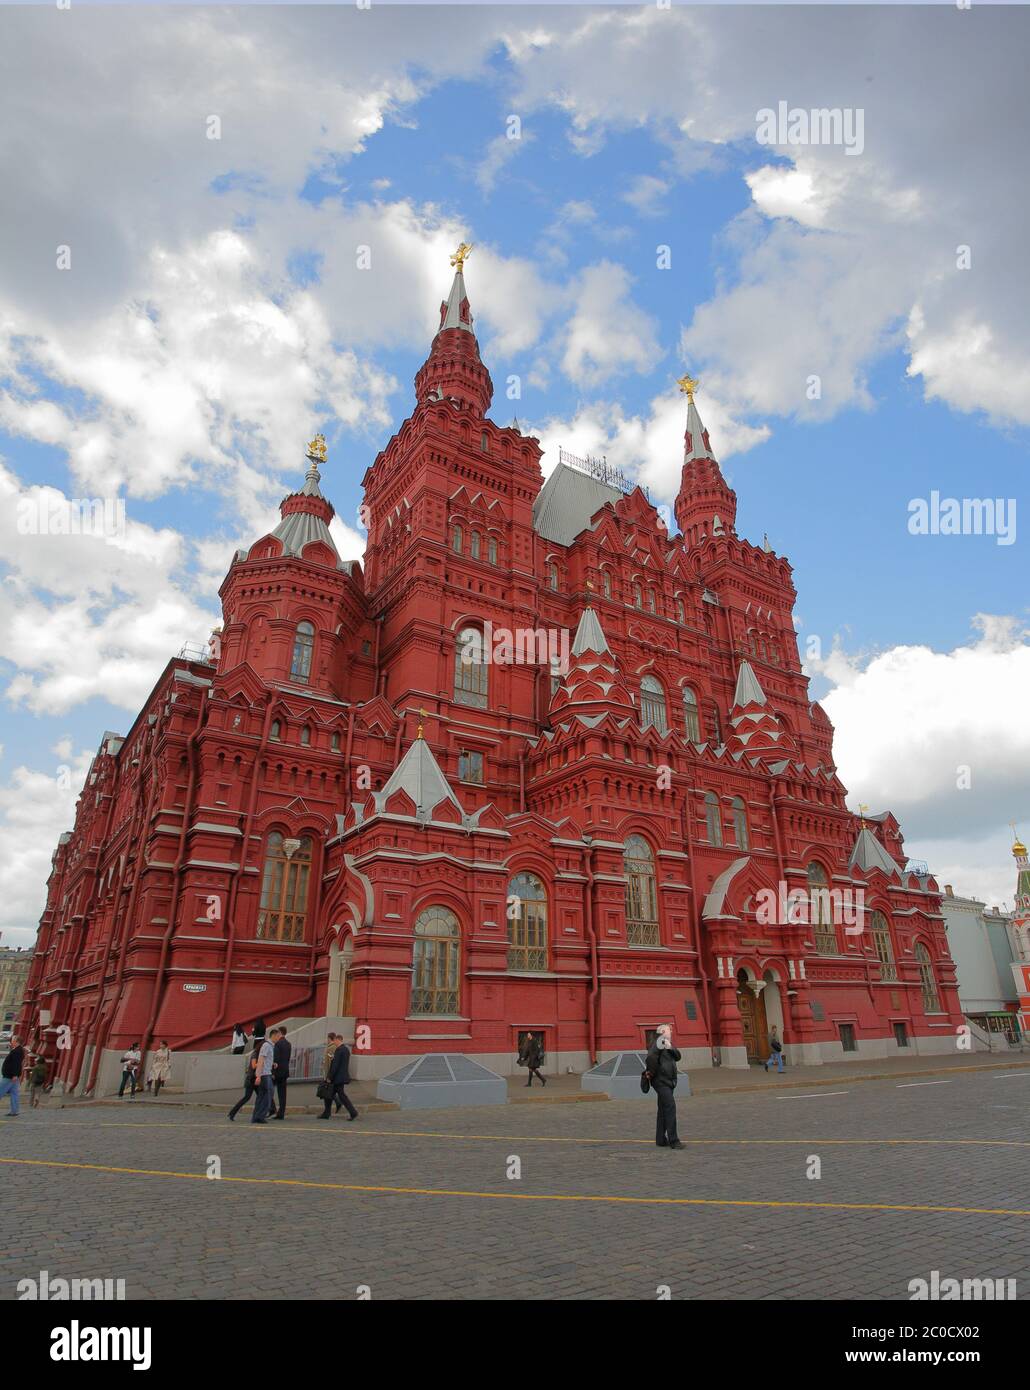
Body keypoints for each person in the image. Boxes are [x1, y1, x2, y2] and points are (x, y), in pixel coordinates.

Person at [644, 1023, 684, 1150]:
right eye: (669, 1030)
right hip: (661, 1082)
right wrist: (654, 1074)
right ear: (662, 1032)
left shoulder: (666, 1043)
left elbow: (678, 1056)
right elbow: (650, 1058)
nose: (671, 1031)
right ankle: (674, 1140)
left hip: (669, 1082)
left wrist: (670, 1047)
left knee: (662, 1110)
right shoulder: (658, 1042)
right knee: (670, 1107)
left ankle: (660, 1139)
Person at [319, 1036, 358, 1121]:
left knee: (339, 1096)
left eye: (335, 1041)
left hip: (337, 1078)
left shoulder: (339, 1050)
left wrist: (329, 1077)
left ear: (338, 1040)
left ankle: (353, 1112)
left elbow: (335, 1066)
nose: (334, 1043)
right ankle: (327, 1113)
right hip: (341, 1077)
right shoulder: (346, 1050)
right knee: (329, 1095)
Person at [228, 1040, 262, 1121]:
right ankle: (232, 1112)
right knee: (247, 1097)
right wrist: (262, 1062)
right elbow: (254, 1066)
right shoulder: (255, 1054)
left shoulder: (259, 1055)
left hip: (254, 1078)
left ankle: (269, 1110)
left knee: (262, 1095)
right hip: (251, 1079)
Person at [251, 1029, 275, 1124]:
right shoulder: (266, 1046)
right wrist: (258, 1076)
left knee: (262, 1096)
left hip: (265, 1073)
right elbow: (261, 1061)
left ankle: (256, 1116)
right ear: (274, 1035)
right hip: (265, 1074)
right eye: (278, 1036)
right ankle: (260, 1116)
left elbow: (265, 1061)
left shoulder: (269, 1046)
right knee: (267, 1095)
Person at [0, 1035, 25, 1117]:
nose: (11, 1041)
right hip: (13, 1076)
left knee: (1, 1091)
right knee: (14, 1094)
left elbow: (16, 1064)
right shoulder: (18, 1050)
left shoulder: (17, 1051)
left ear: (17, 1042)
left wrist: (14, 1074)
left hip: (10, 1076)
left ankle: (14, 1111)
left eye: (13, 1040)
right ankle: (14, 1111)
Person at [272, 1026, 292, 1120]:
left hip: (278, 1071)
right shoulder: (288, 1044)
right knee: (283, 1093)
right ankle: (281, 1112)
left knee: (268, 1091)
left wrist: (273, 1072)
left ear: (279, 1033)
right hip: (285, 1071)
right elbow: (288, 1058)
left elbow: (276, 1058)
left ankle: (272, 1109)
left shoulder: (278, 1044)